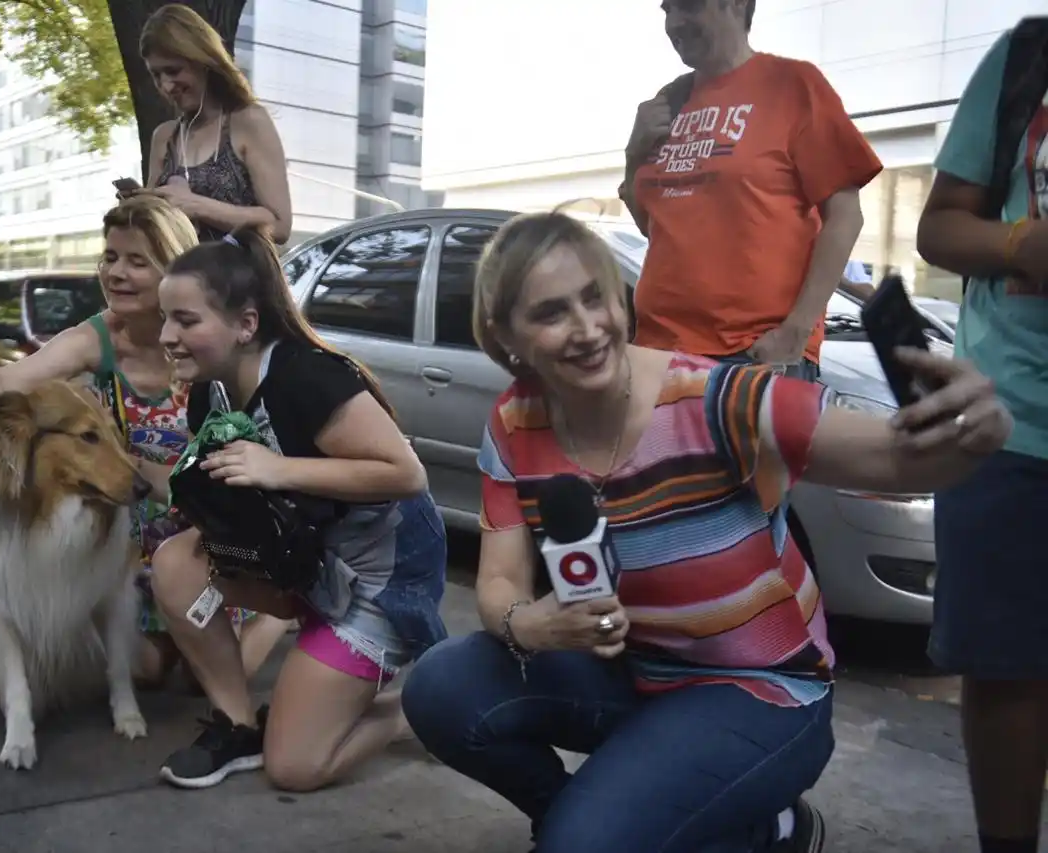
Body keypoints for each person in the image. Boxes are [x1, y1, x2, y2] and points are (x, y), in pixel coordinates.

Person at [400, 212, 1013, 853]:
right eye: (552, 313)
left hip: (761, 690)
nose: (587, 328)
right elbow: (499, 582)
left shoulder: (712, 397)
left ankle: (763, 829)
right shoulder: (513, 423)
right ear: (506, 336)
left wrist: (973, 437)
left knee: (589, 840)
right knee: (444, 686)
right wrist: (532, 625)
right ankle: (582, 823)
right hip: (632, 674)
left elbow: (894, 458)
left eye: (594, 297)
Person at [0, 195, 290, 684]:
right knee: (145, 670)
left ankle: (282, 609)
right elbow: (8, 382)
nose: (116, 273)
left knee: (214, 677)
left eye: (137, 261)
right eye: (110, 257)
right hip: (133, 532)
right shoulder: (97, 338)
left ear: (173, 270)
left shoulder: (211, 335)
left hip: (211, 527)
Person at [148, 227, 448, 792]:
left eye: (185, 321)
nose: (167, 336)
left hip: (377, 580)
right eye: (165, 319)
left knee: (294, 767)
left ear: (246, 324)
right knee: (174, 563)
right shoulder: (209, 392)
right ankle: (238, 726)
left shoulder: (307, 376)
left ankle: (419, 705)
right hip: (303, 560)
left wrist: (277, 468)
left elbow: (406, 475)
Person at [915, 24, 1048, 853]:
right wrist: (1021, 243)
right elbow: (938, 229)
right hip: (1009, 425)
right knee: (1007, 669)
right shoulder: (1026, 58)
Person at [620, 0, 881, 380]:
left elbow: (845, 216)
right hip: (658, 352)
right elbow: (654, 227)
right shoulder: (669, 100)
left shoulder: (793, 85)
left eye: (688, 7)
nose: (674, 23)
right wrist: (633, 153)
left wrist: (797, 329)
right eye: (667, 9)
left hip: (751, 354)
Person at [133, 4, 292, 244]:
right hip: (176, 269)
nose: (166, 86)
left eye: (173, 71)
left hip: (237, 269)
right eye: (156, 75)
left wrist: (196, 205)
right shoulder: (164, 137)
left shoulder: (249, 121)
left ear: (203, 60)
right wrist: (138, 209)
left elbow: (279, 226)